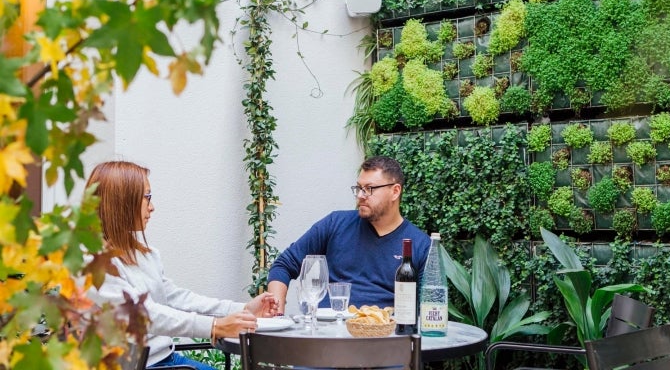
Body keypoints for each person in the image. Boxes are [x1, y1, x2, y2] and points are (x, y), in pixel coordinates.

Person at [83, 161, 278, 369]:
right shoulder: (92, 262)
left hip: (168, 361)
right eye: (147, 197)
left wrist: (242, 308)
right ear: (123, 201)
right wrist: (214, 326)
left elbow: (176, 298)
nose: (152, 207)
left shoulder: (144, 254)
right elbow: (143, 315)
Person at [268, 156, 431, 313]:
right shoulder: (335, 223)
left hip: (383, 334)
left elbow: (428, 304)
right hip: (328, 331)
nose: (360, 195)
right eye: (359, 188)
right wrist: (276, 312)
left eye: (369, 189)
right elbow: (284, 264)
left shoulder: (419, 244)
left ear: (395, 191)